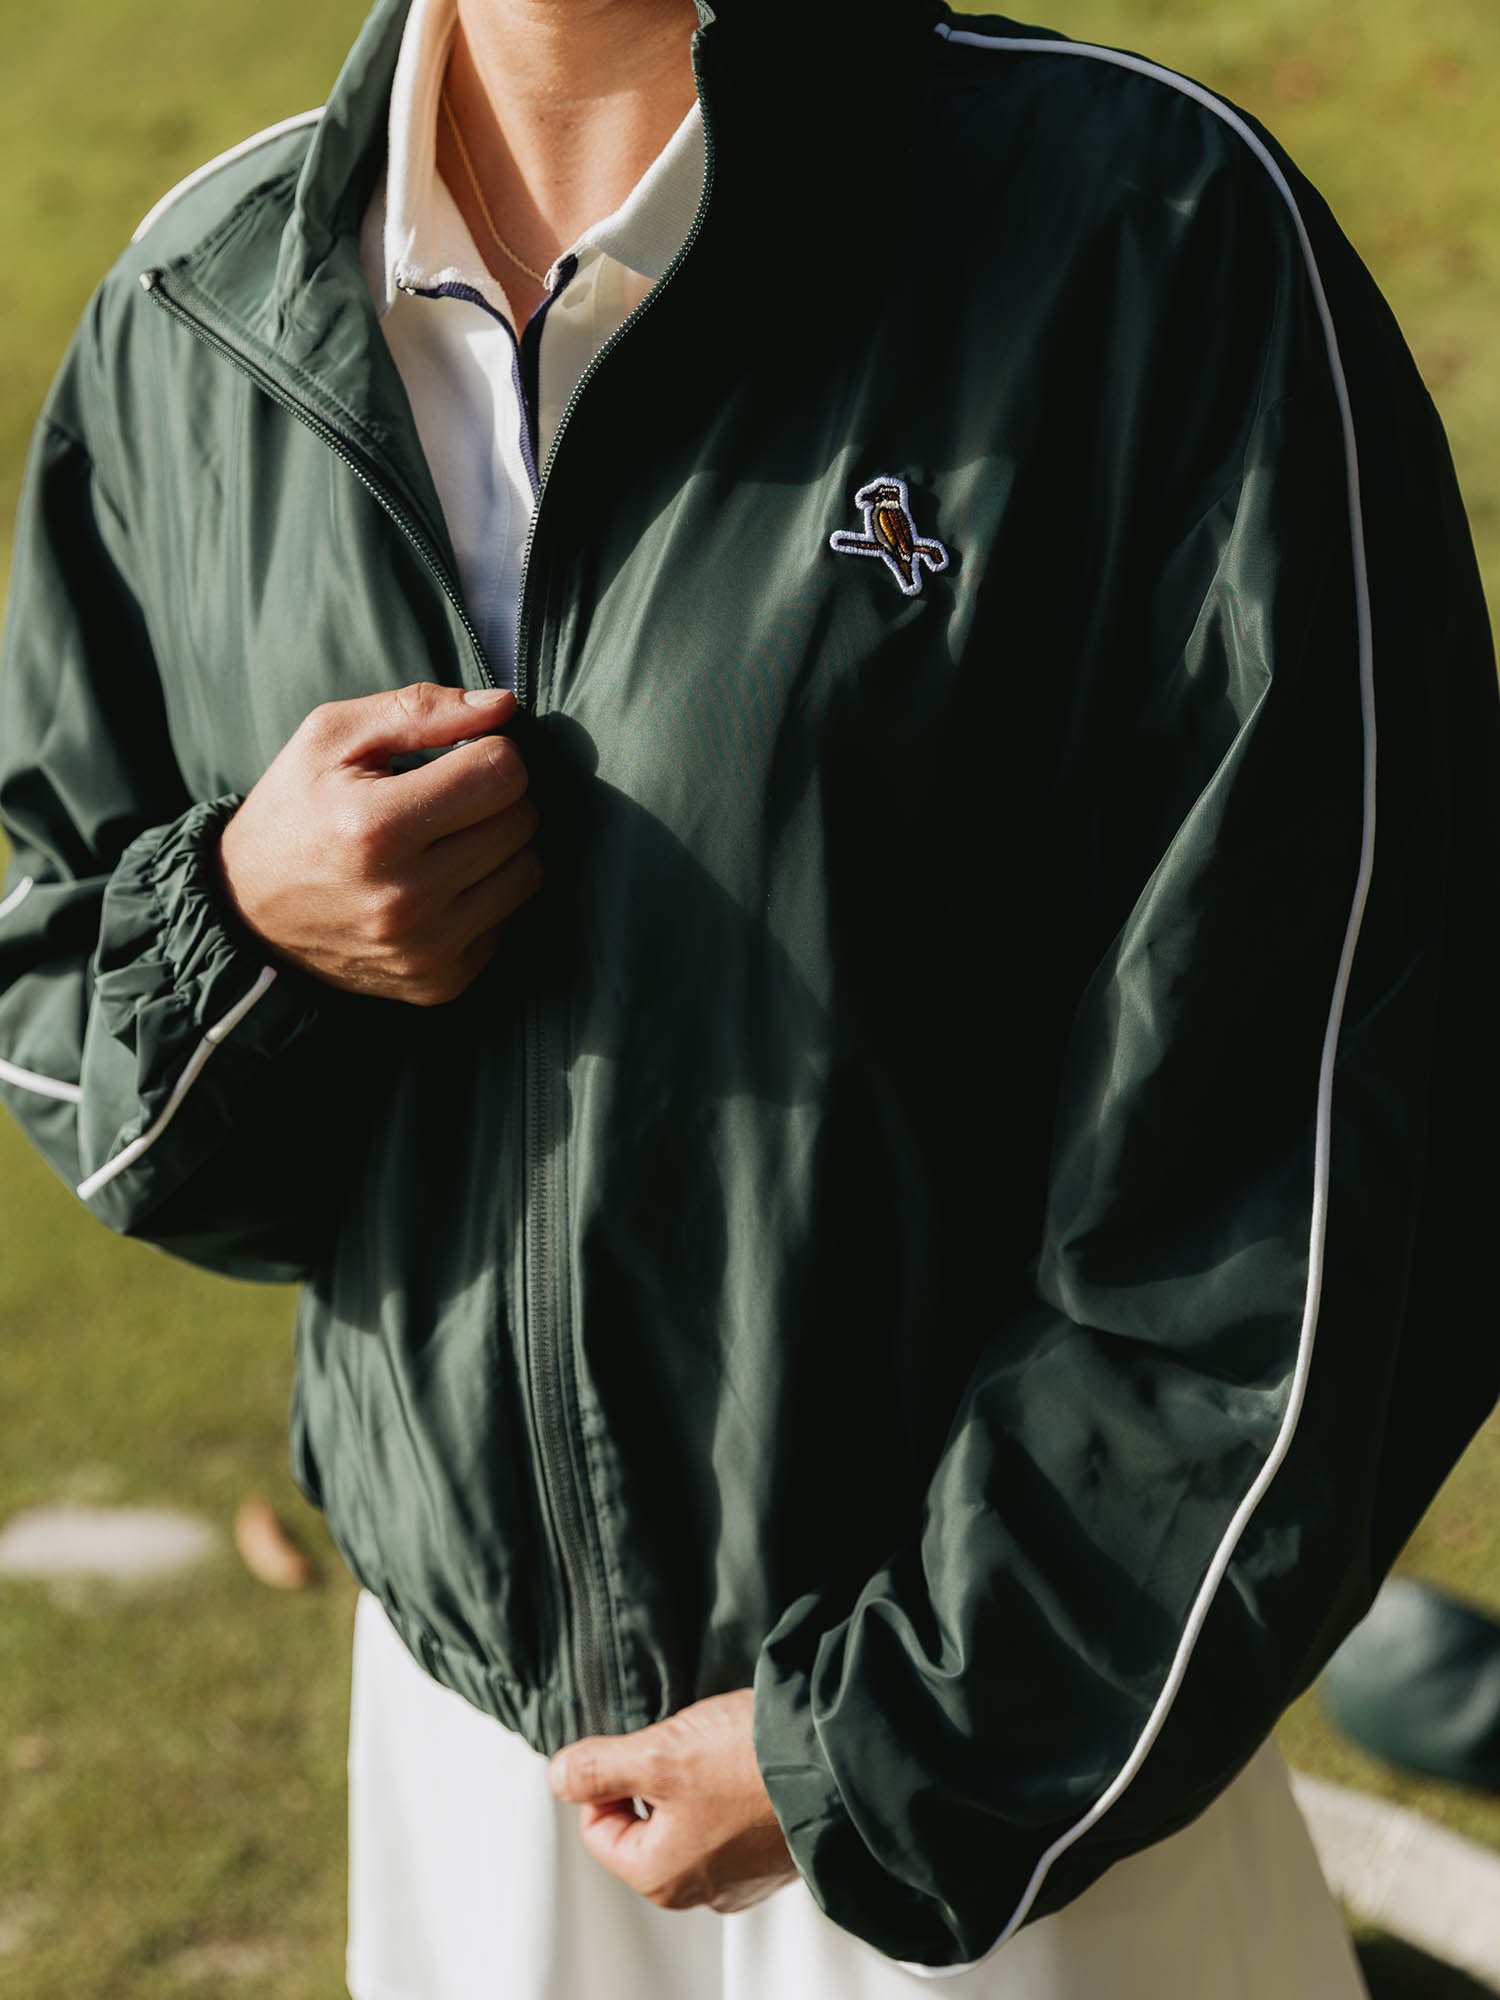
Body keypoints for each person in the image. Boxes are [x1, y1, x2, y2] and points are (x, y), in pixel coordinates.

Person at [1, 0, 1496, 1993]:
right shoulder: (204, 307)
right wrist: (247, 931)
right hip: (478, 1785)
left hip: (1005, 1821)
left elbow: (1311, 1139)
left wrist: (895, 1740)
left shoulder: (1143, 232)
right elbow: (81, 1025)